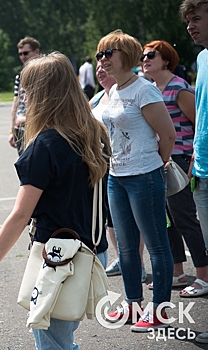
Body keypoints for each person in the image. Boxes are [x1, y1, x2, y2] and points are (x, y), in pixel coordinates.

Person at [0, 52, 110, 350]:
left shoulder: (45, 144)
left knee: (53, 342)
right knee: (60, 339)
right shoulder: (93, 132)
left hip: (59, 257)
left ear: (43, 94)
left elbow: (19, 216)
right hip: (92, 250)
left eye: (28, 90)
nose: (25, 97)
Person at [96, 30, 175, 331]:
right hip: (117, 177)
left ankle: (161, 310)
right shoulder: (114, 90)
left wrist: (158, 165)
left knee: (156, 247)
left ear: (126, 55)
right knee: (127, 248)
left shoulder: (144, 90)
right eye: (99, 54)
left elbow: (168, 135)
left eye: (108, 52)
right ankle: (133, 305)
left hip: (144, 176)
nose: (102, 59)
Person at [141, 40, 208, 297]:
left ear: (166, 59)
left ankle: (203, 274)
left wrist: (193, 160)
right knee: (167, 221)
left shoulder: (179, 88)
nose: (144, 59)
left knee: (185, 218)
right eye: (142, 56)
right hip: (159, 162)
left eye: (150, 55)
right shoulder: (149, 89)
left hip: (180, 161)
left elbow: (199, 123)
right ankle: (178, 272)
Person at [90, 62, 148, 282]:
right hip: (101, 166)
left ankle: (138, 263)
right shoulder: (95, 99)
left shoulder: (129, 94)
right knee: (110, 218)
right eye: (97, 68)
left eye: (104, 67)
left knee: (133, 218)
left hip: (128, 165)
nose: (100, 71)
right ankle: (122, 257)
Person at [181, 0, 208, 343]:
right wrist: (193, 157)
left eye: (197, 18)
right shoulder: (201, 59)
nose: (190, 26)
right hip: (201, 168)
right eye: (188, 21)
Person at [9, 36, 40, 156]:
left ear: (36, 51)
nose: (23, 57)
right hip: (20, 128)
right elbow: (16, 103)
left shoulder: (44, 73)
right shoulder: (20, 76)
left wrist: (27, 119)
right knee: (23, 166)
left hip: (36, 126)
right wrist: (11, 131)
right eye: (20, 54)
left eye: (26, 53)